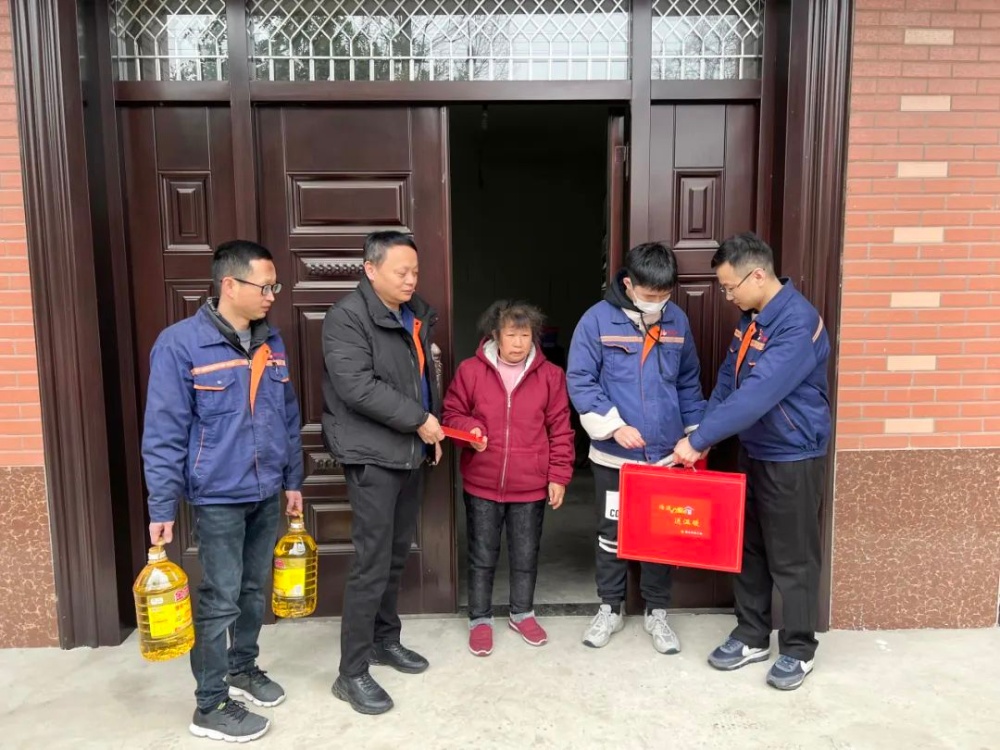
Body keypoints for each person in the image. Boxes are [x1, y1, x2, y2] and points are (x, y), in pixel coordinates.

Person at [142, 239, 304, 743]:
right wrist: (162, 505)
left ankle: (242, 667)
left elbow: (288, 415)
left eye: (275, 287)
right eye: (265, 286)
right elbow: (164, 431)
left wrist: (293, 480)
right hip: (217, 497)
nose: (272, 296)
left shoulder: (271, 342)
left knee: (254, 589)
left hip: (265, 490)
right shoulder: (180, 345)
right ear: (229, 285)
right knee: (220, 597)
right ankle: (209, 703)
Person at [671, 232, 831, 691]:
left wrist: (701, 439)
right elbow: (729, 381)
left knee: (794, 557)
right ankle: (751, 634)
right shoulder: (752, 320)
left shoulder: (797, 324)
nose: (727, 296)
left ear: (757, 275)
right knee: (749, 548)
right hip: (754, 450)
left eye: (729, 287)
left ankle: (798, 648)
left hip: (792, 454)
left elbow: (759, 394)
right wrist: (702, 432)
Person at [322, 231, 445, 715]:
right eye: (401, 272)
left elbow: (420, 381)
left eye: (415, 271)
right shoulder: (346, 317)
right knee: (371, 563)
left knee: (394, 557)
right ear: (370, 270)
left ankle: (384, 640)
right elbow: (357, 387)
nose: (411, 280)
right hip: (373, 457)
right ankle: (350, 672)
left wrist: (430, 430)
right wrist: (420, 420)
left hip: (410, 451)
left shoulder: (413, 314)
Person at [567, 242, 706, 654]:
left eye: (664, 295)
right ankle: (609, 608)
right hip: (615, 459)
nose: (657, 302)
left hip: (665, 456)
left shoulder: (677, 320)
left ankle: (657, 612)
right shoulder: (596, 320)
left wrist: (695, 436)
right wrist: (614, 427)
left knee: (660, 536)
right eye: (649, 295)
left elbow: (688, 382)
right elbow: (580, 380)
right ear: (628, 284)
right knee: (611, 534)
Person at [443, 301, 575, 657]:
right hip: (482, 483)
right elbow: (451, 413)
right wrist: (470, 429)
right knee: (482, 555)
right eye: (511, 335)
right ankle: (479, 619)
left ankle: (522, 613)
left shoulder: (550, 376)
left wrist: (558, 475)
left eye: (525, 335)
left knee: (525, 554)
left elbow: (561, 429)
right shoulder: (471, 371)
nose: (518, 343)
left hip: (530, 485)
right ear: (495, 336)